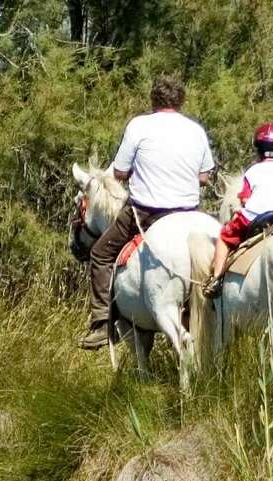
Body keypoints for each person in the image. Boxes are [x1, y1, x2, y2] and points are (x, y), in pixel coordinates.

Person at [80, 74, 215, 349]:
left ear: (153, 99)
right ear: (181, 100)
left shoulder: (139, 125)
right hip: (190, 210)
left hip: (145, 212)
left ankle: (100, 325)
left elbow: (118, 172)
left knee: (101, 254)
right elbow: (204, 177)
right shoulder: (196, 130)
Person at [203, 122, 273, 298]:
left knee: (224, 238)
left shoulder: (252, 171)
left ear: (258, 151)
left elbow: (244, 198)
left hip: (256, 216)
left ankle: (216, 279)